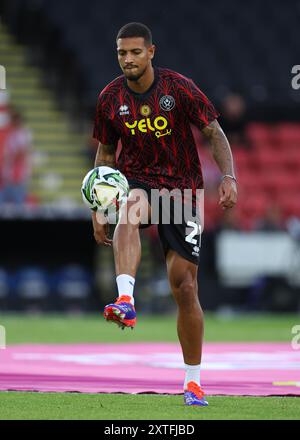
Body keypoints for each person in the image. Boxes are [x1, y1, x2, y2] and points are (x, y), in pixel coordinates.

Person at [92, 22, 237, 406]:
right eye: (122, 53)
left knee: (184, 288)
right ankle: (125, 299)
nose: (128, 59)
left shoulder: (178, 88)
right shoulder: (110, 99)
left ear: (151, 52)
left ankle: (192, 382)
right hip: (138, 181)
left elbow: (214, 133)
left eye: (135, 52)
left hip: (182, 190)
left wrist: (228, 176)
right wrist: (100, 205)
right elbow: (106, 156)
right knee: (129, 210)